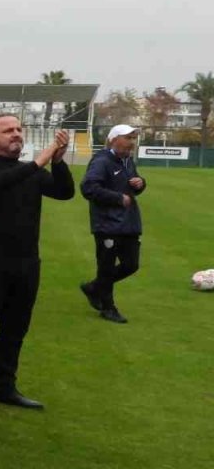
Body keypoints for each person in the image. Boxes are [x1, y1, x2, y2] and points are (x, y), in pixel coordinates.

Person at [0, 120, 74, 412]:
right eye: (8, 131)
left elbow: (64, 191)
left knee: (14, 330)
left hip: (26, 264)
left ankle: (5, 387)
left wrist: (58, 162)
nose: (17, 134)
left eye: (19, 130)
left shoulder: (30, 173)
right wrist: (40, 160)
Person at [79, 124, 145, 324]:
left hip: (128, 222)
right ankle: (108, 308)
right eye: (128, 138)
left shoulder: (127, 161)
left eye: (133, 139)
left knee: (131, 265)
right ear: (114, 139)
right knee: (106, 268)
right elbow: (88, 188)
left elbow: (134, 186)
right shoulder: (101, 161)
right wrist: (117, 198)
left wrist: (141, 183)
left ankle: (94, 287)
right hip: (107, 224)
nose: (132, 143)